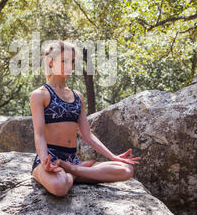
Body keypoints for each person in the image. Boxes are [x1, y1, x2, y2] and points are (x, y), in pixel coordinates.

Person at [30, 39, 141, 197]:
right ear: (50, 62)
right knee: (60, 188)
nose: (70, 66)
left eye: (72, 61)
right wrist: (44, 160)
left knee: (126, 170)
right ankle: (74, 174)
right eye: (64, 61)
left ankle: (73, 171)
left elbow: (87, 135)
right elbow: (39, 134)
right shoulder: (40, 95)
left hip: (72, 161)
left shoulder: (77, 96)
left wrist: (113, 157)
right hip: (51, 159)